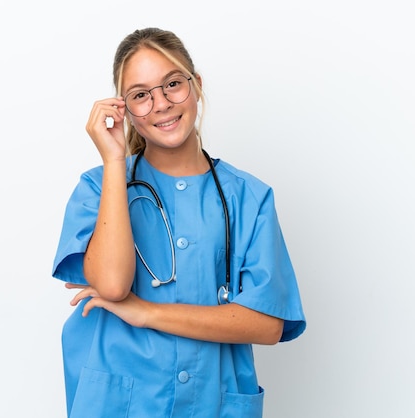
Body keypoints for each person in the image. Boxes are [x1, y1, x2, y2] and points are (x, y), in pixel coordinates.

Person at [52, 27, 306, 418]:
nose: (161, 104)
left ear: (196, 86)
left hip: (212, 401)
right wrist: (114, 160)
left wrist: (148, 312)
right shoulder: (98, 187)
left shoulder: (249, 198)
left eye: (172, 84)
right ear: (124, 109)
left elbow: (267, 324)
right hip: (122, 403)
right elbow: (113, 285)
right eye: (140, 95)